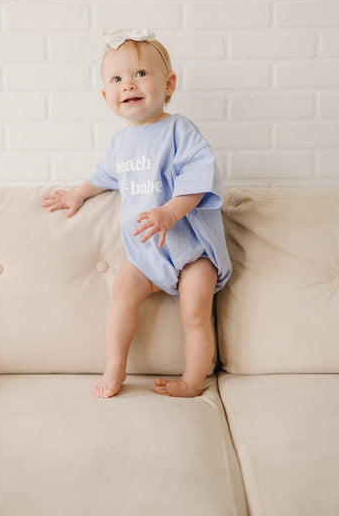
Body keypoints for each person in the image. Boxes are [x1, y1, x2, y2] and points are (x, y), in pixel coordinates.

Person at [42, 29, 231, 399]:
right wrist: (78, 194)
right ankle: (115, 366)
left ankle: (193, 380)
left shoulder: (179, 129)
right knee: (122, 290)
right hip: (146, 254)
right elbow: (104, 176)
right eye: (116, 79)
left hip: (192, 251)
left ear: (169, 83)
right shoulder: (120, 143)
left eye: (141, 74)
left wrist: (169, 212)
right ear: (106, 96)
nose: (128, 84)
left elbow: (198, 176)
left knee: (194, 312)